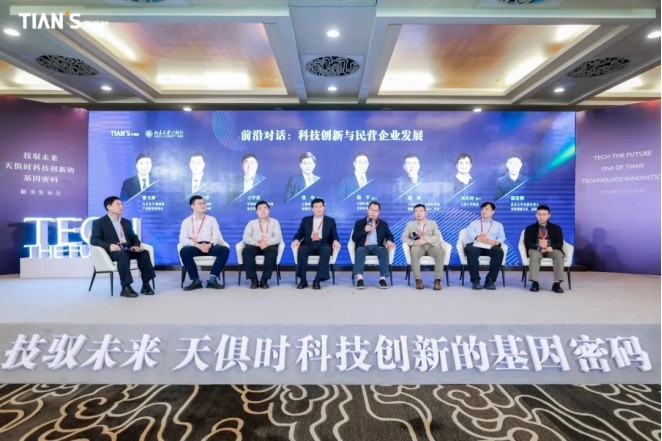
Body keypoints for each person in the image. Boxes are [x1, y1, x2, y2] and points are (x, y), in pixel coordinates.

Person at [90, 196, 156, 298]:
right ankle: (125, 287)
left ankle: (146, 284)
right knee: (123, 255)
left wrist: (135, 246)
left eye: (121, 204)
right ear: (109, 207)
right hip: (112, 252)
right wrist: (110, 246)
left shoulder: (126, 222)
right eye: (118, 204)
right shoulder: (99, 222)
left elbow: (134, 237)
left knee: (144, 253)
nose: (121, 206)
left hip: (127, 249)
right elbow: (94, 240)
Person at [178, 195, 230, 291]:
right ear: (192, 206)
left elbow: (216, 235)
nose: (203, 205)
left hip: (210, 246)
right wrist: (197, 245)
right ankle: (196, 281)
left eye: (204, 203)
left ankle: (212, 280)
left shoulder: (211, 219)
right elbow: (182, 239)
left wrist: (210, 244)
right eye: (199, 203)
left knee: (224, 250)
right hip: (195, 246)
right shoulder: (186, 221)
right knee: (184, 251)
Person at [291, 198, 341, 290]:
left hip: (323, 243)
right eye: (316, 207)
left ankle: (317, 280)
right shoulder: (306, 220)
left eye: (320, 206)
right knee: (302, 249)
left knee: (326, 250)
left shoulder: (330, 221)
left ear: (324, 208)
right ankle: (303, 280)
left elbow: (334, 234)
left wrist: (336, 240)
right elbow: (300, 233)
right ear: (312, 209)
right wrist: (296, 240)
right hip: (309, 243)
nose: (318, 209)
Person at [351, 201, 395, 289]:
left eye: (376, 211)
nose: (373, 212)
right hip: (363, 246)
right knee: (359, 250)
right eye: (371, 210)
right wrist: (364, 230)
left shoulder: (383, 224)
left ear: (379, 212)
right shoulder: (359, 223)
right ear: (368, 210)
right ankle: (360, 279)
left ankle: (382, 279)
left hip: (377, 246)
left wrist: (389, 241)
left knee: (384, 251)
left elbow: (389, 235)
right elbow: (354, 238)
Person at [401, 204, 445, 290]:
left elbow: (437, 236)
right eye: (416, 211)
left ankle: (437, 280)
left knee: (439, 252)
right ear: (414, 214)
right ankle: (418, 280)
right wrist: (413, 242)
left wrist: (425, 240)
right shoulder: (410, 224)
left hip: (431, 245)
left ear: (425, 213)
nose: (418, 213)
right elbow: (403, 237)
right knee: (414, 252)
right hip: (418, 246)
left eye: (421, 211)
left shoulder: (433, 223)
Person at [523, 204, 566, 293]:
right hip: (536, 249)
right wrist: (538, 247)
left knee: (559, 255)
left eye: (544, 214)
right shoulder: (530, 228)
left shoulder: (556, 228)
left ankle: (557, 283)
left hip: (551, 249)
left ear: (549, 215)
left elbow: (560, 243)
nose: (541, 217)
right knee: (533, 254)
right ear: (536, 215)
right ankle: (535, 282)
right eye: (539, 214)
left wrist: (552, 247)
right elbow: (528, 243)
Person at [464, 201, 506, 290]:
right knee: (472, 250)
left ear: (493, 212)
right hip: (476, 245)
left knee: (498, 251)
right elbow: (469, 232)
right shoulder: (474, 223)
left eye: (487, 209)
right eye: (482, 209)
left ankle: (490, 280)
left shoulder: (498, 225)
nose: (483, 211)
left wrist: (496, 242)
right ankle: (475, 280)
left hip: (490, 246)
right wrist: (478, 237)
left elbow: (502, 237)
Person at [241, 200, 282, 289]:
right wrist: (256, 243)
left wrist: (267, 243)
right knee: (247, 251)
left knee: (273, 251)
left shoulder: (275, 222)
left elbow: (278, 237)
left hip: (269, 245)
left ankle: (264, 280)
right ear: (256, 212)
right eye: (260, 209)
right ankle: (253, 280)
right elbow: (246, 237)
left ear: (269, 210)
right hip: (255, 245)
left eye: (265, 208)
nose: (263, 211)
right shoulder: (251, 223)